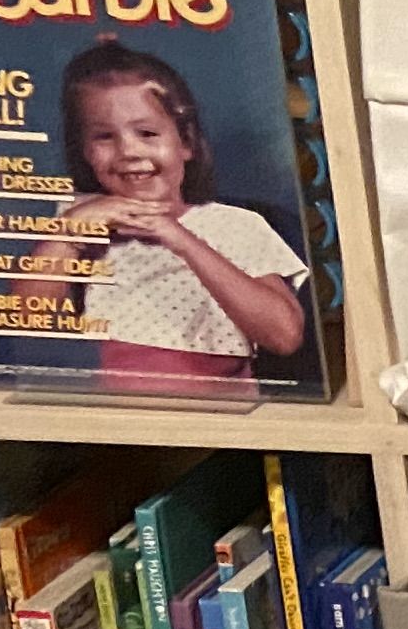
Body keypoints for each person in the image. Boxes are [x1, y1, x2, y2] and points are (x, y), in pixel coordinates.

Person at [19, 38, 309, 392]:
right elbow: (26, 318)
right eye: (104, 137)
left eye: (147, 133)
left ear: (185, 142)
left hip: (216, 407)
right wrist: (68, 235)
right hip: (114, 408)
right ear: (84, 152)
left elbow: (284, 335)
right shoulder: (79, 222)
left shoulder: (235, 225)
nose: (128, 151)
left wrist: (181, 239)